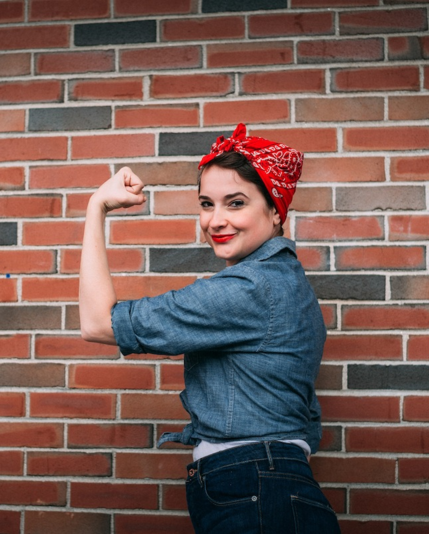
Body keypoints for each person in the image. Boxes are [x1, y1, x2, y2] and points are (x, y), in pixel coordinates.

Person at [79, 123, 341, 534]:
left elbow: (97, 322)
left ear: (275, 211)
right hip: (271, 486)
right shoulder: (286, 281)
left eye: (235, 203)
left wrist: (96, 207)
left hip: (254, 487)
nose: (215, 220)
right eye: (206, 204)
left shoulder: (251, 288)